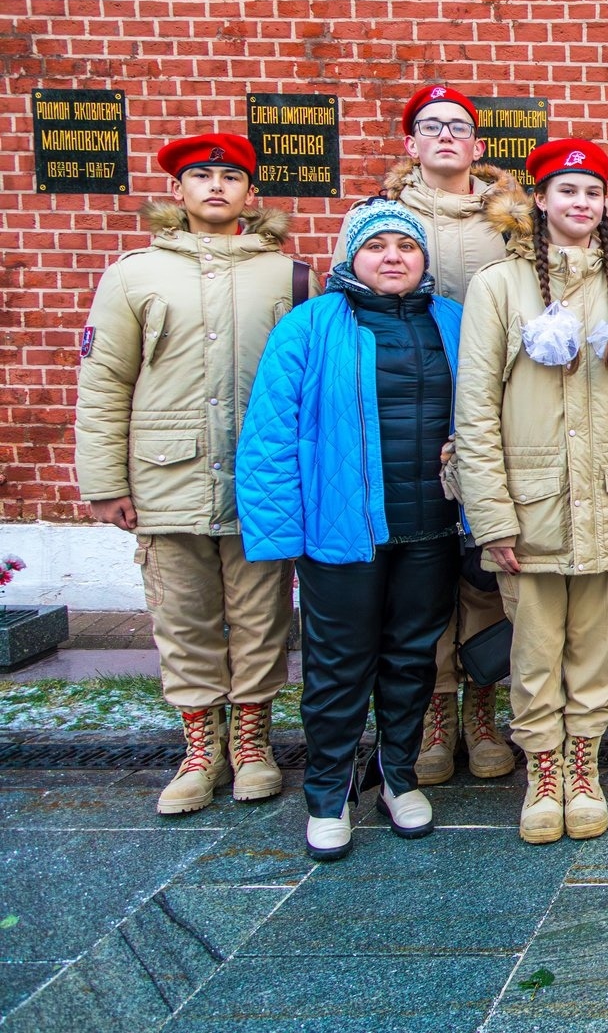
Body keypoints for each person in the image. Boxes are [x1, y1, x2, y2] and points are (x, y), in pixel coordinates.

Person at [75, 134, 303, 816]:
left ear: (250, 195)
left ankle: (255, 744)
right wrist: (104, 480)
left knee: (261, 615)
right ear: (176, 191)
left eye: (229, 177)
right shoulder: (135, 274)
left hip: (259, 478)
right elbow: (106, 379)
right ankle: (202, 749)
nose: (214, 187)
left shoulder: (287, 275)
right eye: (199, 177)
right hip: (165, 475)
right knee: (184, 618)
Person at [237, 200, 462, 862]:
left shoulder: (452, 322)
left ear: (423, 258)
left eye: (406, 246)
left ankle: (397, 776)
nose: (393, 256)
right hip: (341, 531)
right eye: (377, 246)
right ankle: (329, 793)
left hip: (430, 526)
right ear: (352, 257)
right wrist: (281, 538)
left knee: (411, 658)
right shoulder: (309, 327)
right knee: (338, 667)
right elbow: (270, 437)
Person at [456, 138, 608, 845]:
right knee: (536, 651)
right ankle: (543, 771)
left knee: (596, 651)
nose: (581, 204)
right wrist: (493, 517)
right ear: (539, 200)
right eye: (566, 191)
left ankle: (585, 766)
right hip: (532, 508)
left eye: (593, 193)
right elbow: (474, 409)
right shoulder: (497, 287)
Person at [334, 84, 519, 788]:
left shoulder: (512, 222)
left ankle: (482, 710)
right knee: (421, 574)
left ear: (477, 148)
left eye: (459, 128)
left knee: (485, 573)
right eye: (429, 126)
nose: (445, 136)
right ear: (409, 144)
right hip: (402, 419)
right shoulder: (379, 218)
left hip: (490, 417)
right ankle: (434, 717)